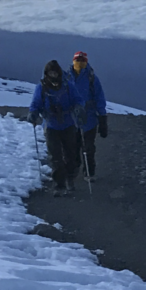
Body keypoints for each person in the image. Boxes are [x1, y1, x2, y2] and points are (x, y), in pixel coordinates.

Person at [28, 60, 80, 195]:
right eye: (51, 72)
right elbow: (35, 104)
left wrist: (79, 109)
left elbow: (78, 99)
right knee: (55, 156)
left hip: (68, 124)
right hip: (51, 125)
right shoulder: (42, 88)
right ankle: (59, 185)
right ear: (46, 73)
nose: (53, 75)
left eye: (55, 72)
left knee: (70, 154)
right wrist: (33, 113)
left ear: (59, 72)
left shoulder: (68, 86)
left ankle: (70, 178)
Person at [67, 50, 108, 181]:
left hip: (89, 119)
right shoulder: (66, 77)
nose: (79, 63)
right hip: (71, 120)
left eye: (82, 61)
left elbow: (99, 98)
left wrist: (102, 118)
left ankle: (89, 172)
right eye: (77, 60)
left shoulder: (92, 79)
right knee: (72, 147)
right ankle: (74, 170)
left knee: (88, 147)